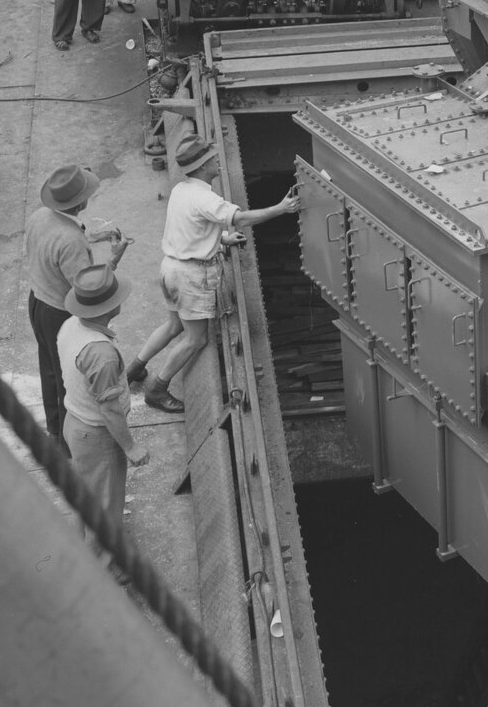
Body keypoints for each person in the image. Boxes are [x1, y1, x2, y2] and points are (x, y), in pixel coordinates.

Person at [127, 135, 302, 411]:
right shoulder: (205, 198)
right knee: (197, 339)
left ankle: (134, 369)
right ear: (201, 166)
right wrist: (281, 209)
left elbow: (192, 228)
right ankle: (157, 389)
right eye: (212, 158)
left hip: (171, 267)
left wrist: (221, 239)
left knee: (173, 325)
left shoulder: (180, 190)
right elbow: (241, 218)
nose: (218, 161)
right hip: (191, 277)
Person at [25, 165, 122, 455]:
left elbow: (58, 238)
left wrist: (95, 237)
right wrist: (114, 260)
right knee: (69, 379)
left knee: (49, 370)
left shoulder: (40, 216)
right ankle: (68, 444)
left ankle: (55, 430)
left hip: (38, 301)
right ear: (81, 202)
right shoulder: (71, 241)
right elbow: (88, 290)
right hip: (59, 313)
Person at [59, 265, 149, 541]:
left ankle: (82, 548)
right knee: (106, 511)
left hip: (73, 421)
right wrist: (130, 447)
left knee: (88, 496)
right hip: (96, 435)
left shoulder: (71, 324)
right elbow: (109, 409)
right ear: (107, 308)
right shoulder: (102, 354)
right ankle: (107, 570)